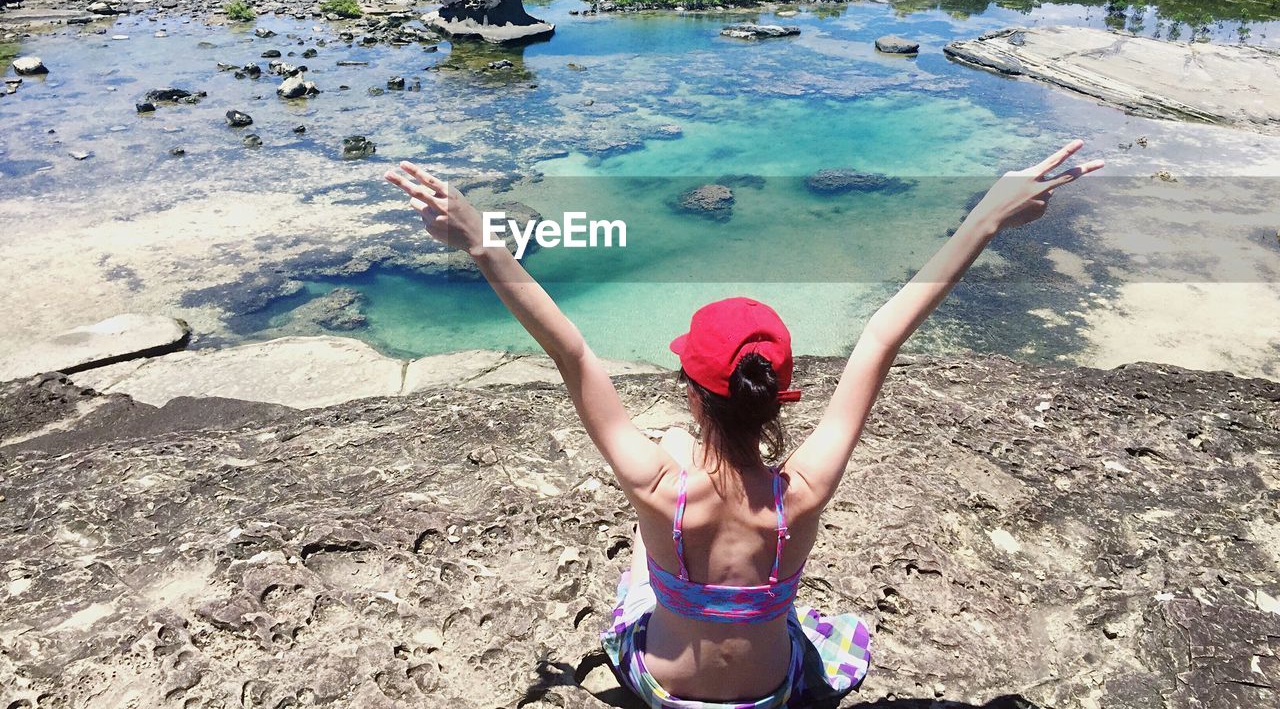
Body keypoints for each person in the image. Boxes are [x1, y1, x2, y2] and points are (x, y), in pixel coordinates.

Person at [385, 140, 1104, 709]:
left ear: (691, 391)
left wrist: (481, 240)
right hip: (773, 694)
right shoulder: (805, 489)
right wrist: (985, 218)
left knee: (648, 537)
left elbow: (568, 346)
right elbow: (884, 334)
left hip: (662, 689)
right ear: (779, 398)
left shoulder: (656, 478)